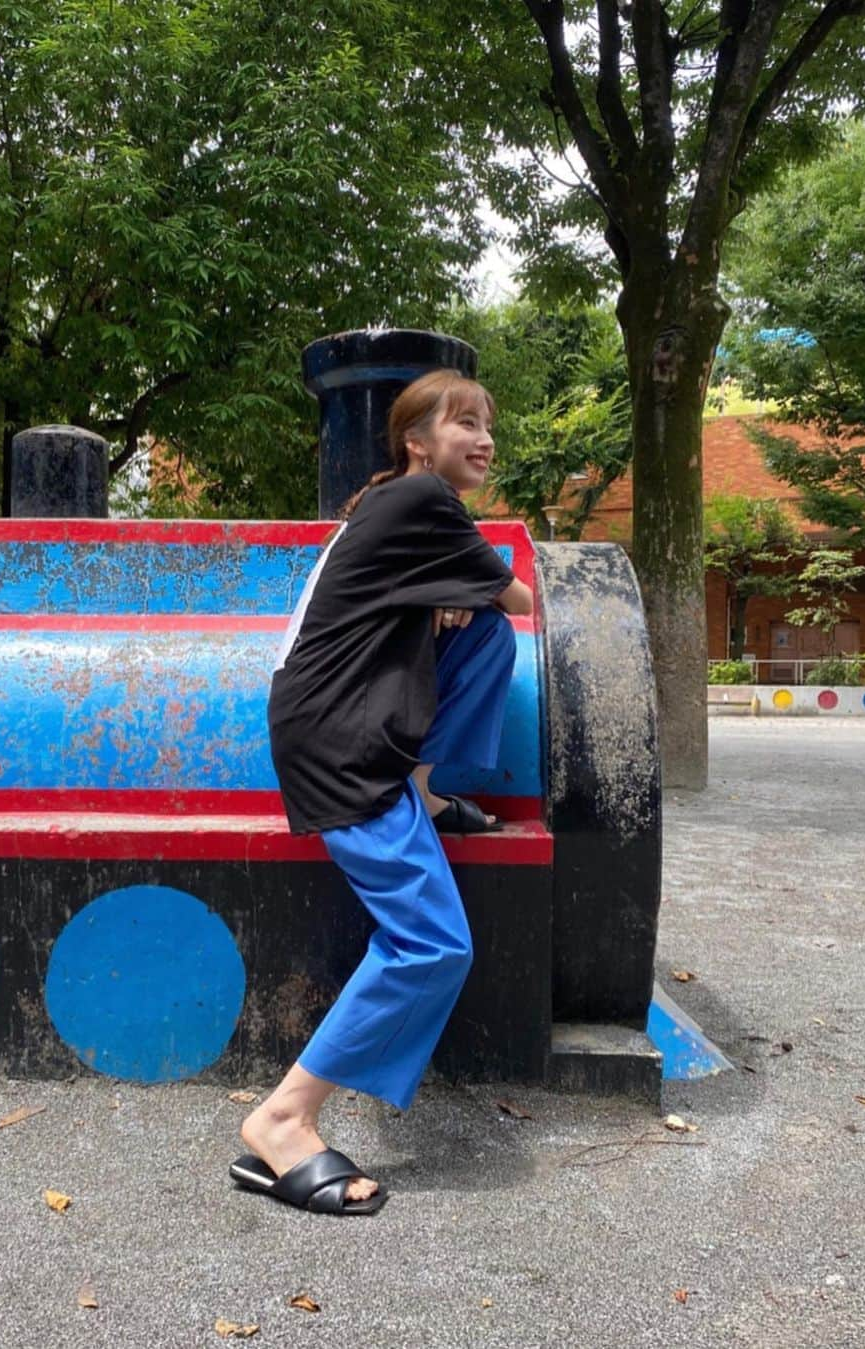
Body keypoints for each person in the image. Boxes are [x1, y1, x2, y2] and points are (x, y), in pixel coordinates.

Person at [229, 369, 534, 1215]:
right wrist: (469, 585)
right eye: (462, 421)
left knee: (482, 637)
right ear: (416, 440)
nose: (483, 438)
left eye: (488, 424)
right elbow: (523, 592)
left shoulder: (390, 503)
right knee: (432, 943)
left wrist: (447, 597)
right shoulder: (423, 504)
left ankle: (427, 793)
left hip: (335, 718)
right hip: (342, 741)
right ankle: (283, 1119)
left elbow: (471, 607)